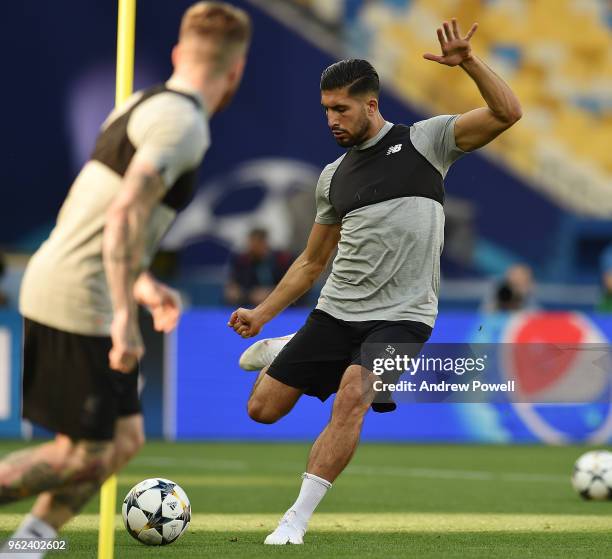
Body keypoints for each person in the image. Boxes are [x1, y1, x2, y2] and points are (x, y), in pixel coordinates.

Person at [230, 18, 521, 545]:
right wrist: (261, 314)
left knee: (353, 393)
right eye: (326, 110)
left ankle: (295, 520)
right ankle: (284, 348)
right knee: (262, 411)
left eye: (340, 108)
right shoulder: (332, 178)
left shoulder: (428, 141)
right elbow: (310, 263)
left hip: (404, 316)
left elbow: (508, 113)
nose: (332, 119)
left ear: (370, 104)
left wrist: (470, 63)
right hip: (337, 311)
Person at [0, 2, 251, 555]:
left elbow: (104, 213)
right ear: (236, 71)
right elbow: (120, 218)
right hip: (76, 294)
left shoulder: (145, 103)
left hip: (82, 279)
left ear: (179, 54)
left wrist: (142, 283)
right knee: (78, 454)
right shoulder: (183, 125)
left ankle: (21, 549)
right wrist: (122, 317)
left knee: (122, 441)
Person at [224, 228, 293, 307]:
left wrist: (271, 293)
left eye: (256, 244)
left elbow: (291, 286)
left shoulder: (282, 260)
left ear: (264, 243)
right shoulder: (240, 261)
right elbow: (233, 286)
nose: (252, 248)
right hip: (248, 306)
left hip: (282, 309)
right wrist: (237, 291)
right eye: (251, 244)